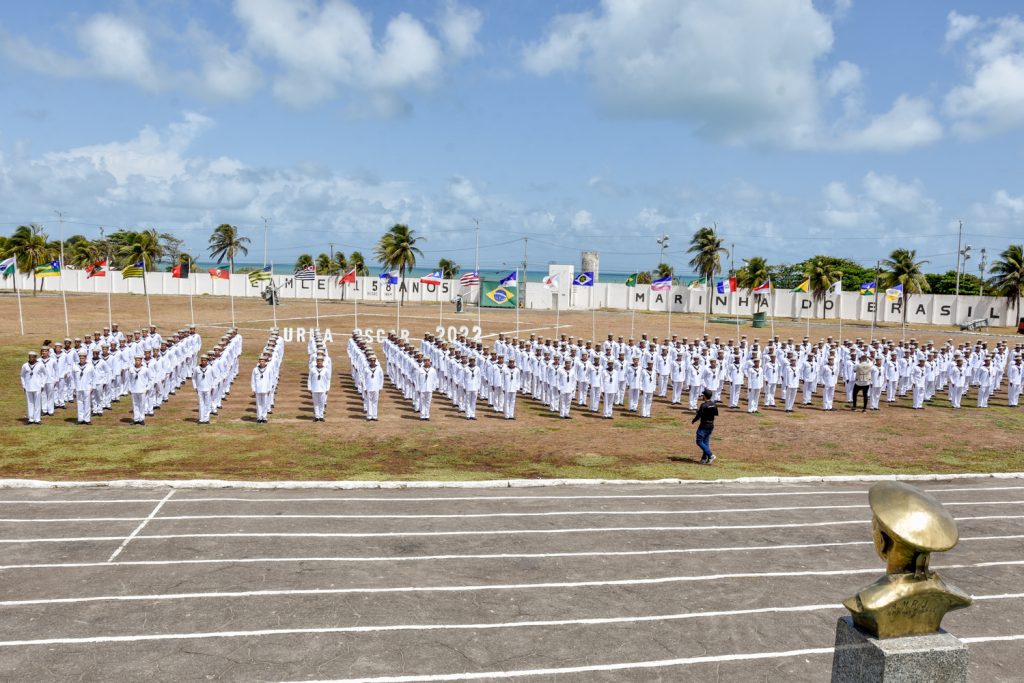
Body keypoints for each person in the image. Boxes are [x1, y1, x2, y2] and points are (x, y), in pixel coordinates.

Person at [692, 388, 718, 464]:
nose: (702, 396)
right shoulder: (714, 404)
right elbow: (715, 414)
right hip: (711, 425)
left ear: (705, 396)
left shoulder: (703, 405)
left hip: (703, 425)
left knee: (699, 441)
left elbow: (699, 415)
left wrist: (694, 420)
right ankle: (704, 458)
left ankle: (710, 455)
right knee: (706, 442)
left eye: (703, 395)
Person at [307, 356, 330, 422]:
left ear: (322, 361)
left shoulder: (326, 370)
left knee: (322, 403)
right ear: (316, 362)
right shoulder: (312, 369)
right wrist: (309, 388)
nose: (319, 362)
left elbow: (328, 380)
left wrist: (327, 388)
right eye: (318, 361)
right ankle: (317, 416)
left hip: (323, 388)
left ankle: (321, 416)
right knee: (315, 403)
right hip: (314, 388)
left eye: (321, 361)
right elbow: (309, 379)